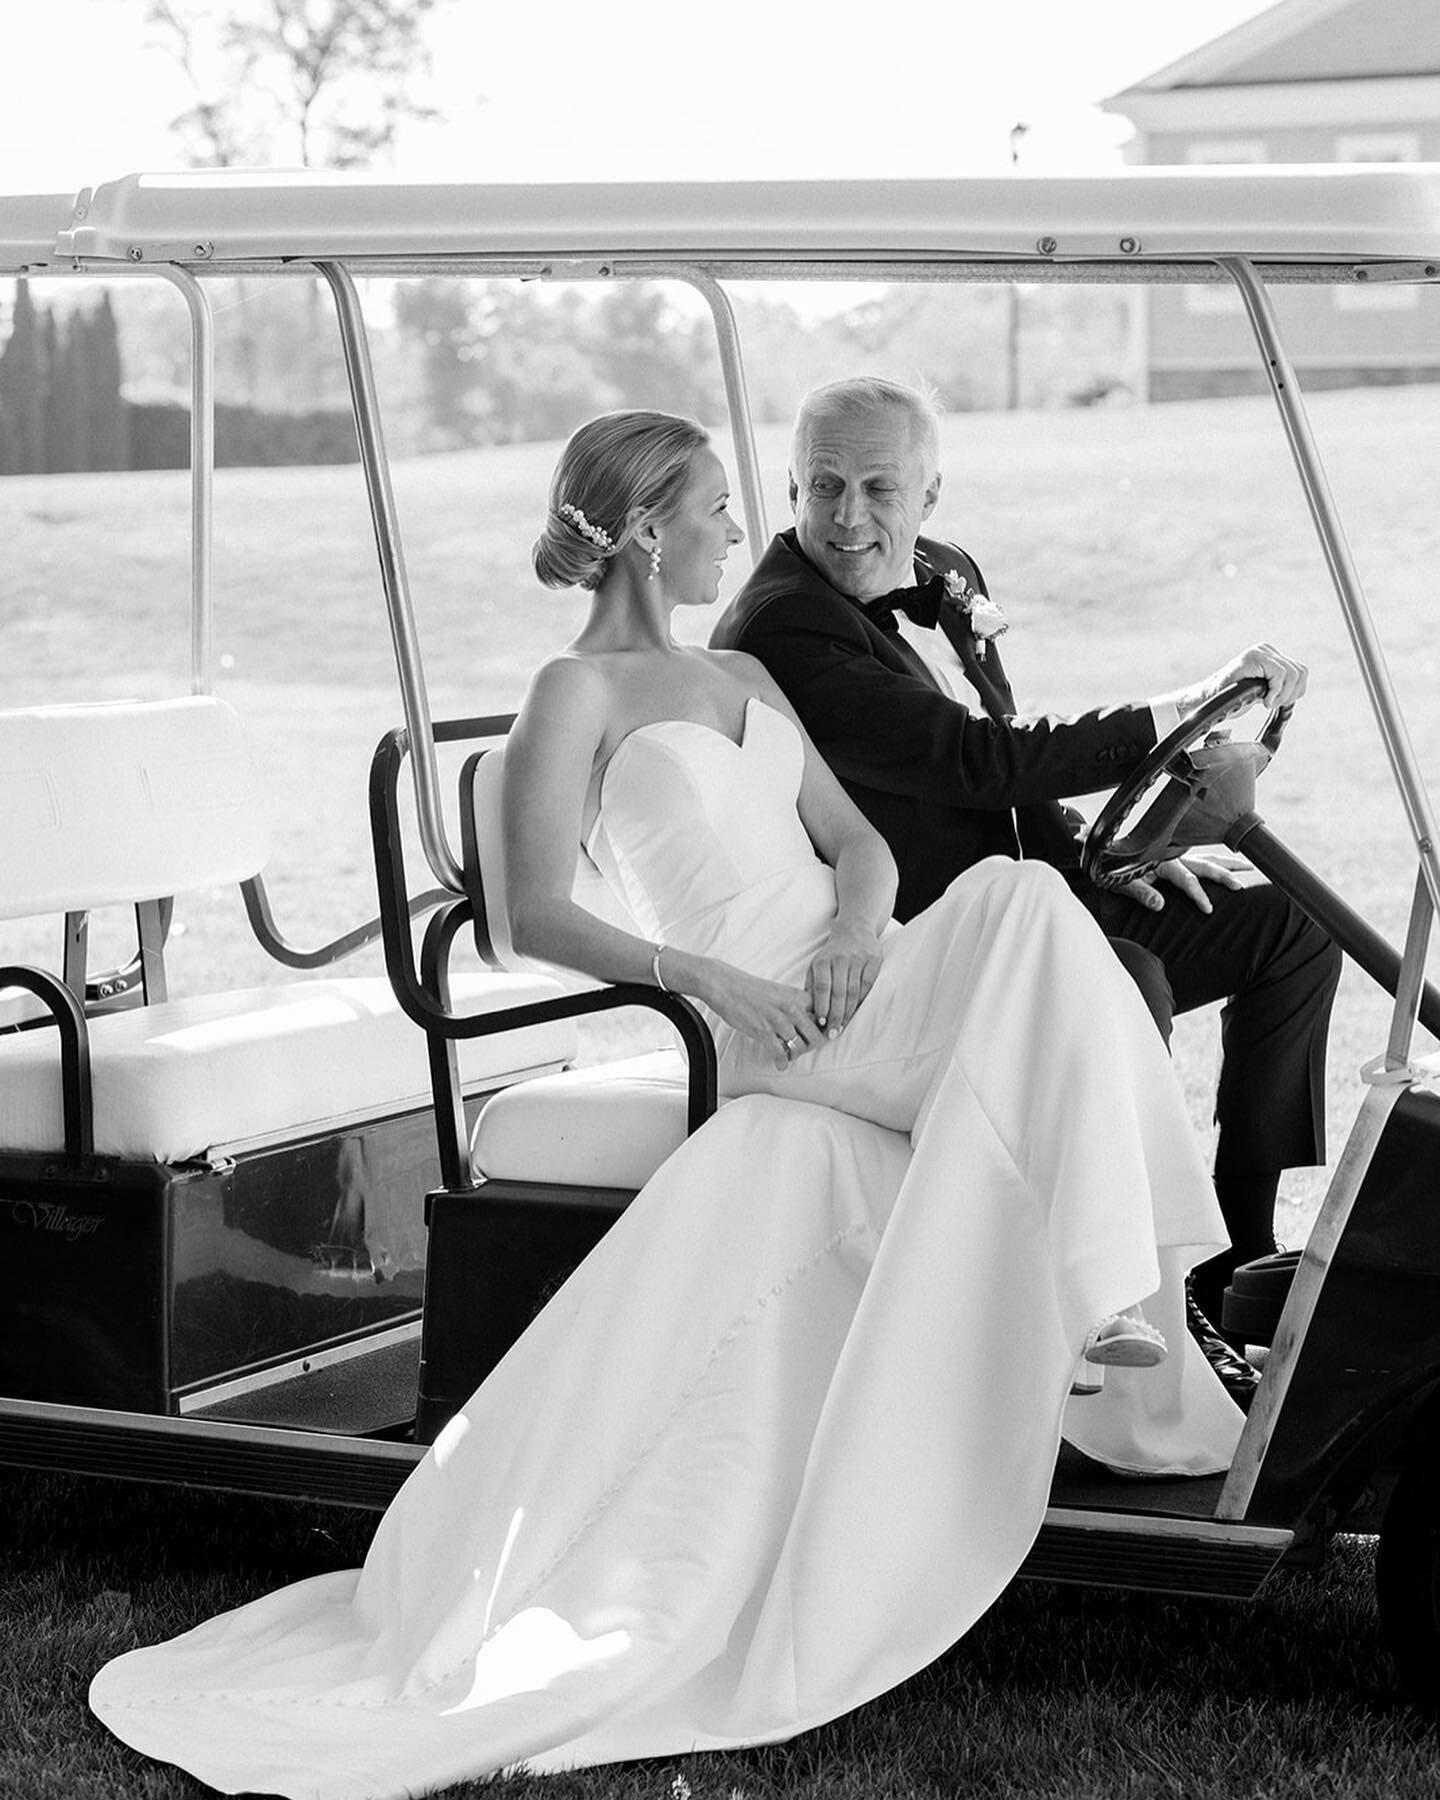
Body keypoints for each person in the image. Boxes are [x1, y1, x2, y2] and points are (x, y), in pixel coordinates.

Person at [90, 412, 1243, 1800]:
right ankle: (1115, 1290)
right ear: (644, 533)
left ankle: (1110, 1292)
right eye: (709, 509)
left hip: (849, 976)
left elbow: (858, 844)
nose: (729, 532)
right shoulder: (571, 694)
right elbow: (526, 917)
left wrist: (858, 931)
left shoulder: (744, 665)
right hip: (752, 1020)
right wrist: (702, 979)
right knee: (1027, 906)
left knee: (1027, 902)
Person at [711, 377, 1341, 1363]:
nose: (848, 515)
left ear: (930, 496)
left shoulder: (937, 575)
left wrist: (1104, 861)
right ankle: (1149, 1289)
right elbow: (973, 760)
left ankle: (1241, 1251)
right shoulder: (783, 627)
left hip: (1036, 892)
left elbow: (1000, 771)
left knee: (1286, 929)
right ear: (789, 488)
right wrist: (1192, 703)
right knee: (1129, 979)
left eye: (880, 487)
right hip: (933, 934)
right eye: (823, 485)